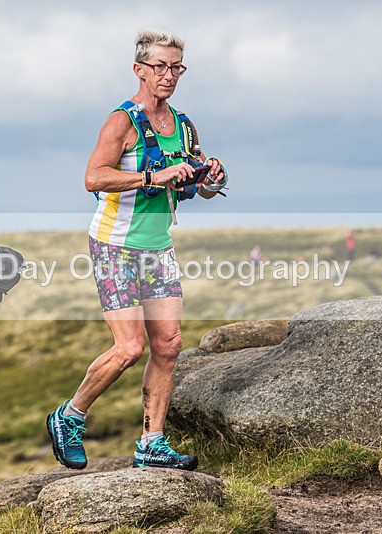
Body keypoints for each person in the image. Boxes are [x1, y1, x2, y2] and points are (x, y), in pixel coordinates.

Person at [46, 29, 227, 471]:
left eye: (177, 67)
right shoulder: (121, 121)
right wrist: (151, 178)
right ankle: (69, 417)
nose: (169, 76)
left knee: (168, 345)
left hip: (157, 247)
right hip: (115, 245)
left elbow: (196, 189)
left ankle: (152, 443)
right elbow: (93, 178)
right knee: (129, 348)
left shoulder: (184, 125)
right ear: (139, 70)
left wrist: (210, 179)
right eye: (160, 67)